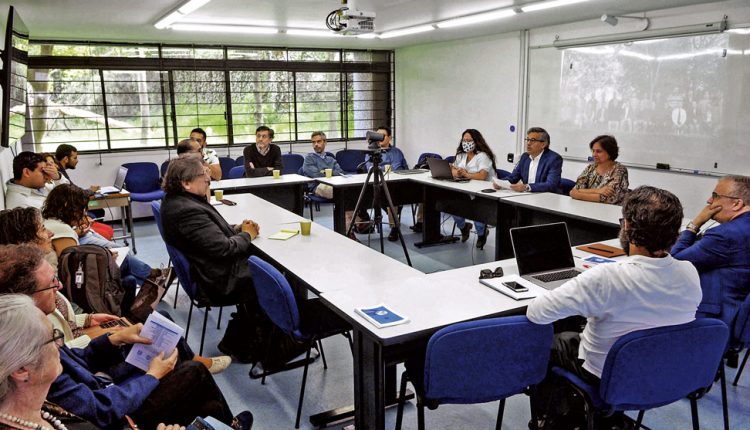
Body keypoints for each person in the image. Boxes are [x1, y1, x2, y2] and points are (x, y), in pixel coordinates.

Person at [0, 245, 250, 430]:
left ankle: (227, 423)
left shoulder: (28, 336)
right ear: (25, 297)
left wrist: (114, 339)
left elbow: (75, 359)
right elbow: (103, 409)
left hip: (103, 390)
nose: (60, 287)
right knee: (193, 372)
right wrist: (153, 375)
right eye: (52, 284)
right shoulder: (34, 357)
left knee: (204, 401)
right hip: (115, 408)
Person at [527, 186, 701, 427]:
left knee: (550, 342)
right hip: (664, 369)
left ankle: (555, 420)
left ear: (627, 226)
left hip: (607, 374)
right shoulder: (689, 272)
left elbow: (536, 313)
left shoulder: (606, 277)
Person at [160, 157, 267, 361]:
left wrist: (237, 229)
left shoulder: (178, 201)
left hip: (209, 268)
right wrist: (247, 235)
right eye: (204, 174)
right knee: (275, 274)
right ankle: (280, 341)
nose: (209, 178)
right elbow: (224, 249)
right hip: (219, 278)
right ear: (186, 182)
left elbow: (209, 235)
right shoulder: (187, 211)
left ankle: (244, 339)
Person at [41, 184, 163, 315]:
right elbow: (74, 271)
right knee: (125, 264)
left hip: (64, 287)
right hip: (73, 292)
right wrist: (105, 258)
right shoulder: (63, 230)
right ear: (68, 207)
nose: (84, 213)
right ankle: (150, 287)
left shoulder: (50, 221)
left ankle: (132, 309)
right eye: (81, 208)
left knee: (129, 280)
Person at [672, 175, 750, 327]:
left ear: (737, 203)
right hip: (742, 317)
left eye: (715, 196)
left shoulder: (724, 235)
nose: (709, 201)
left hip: (716, 319)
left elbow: (675, 264)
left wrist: (695, 224)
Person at [449, 129, 497, 249]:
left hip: (483, 193)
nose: (466, 142)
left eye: (469, 140)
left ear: (476, 141)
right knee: (451, 206)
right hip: (464, 189)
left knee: (478, 214)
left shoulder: (483, 156)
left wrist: (465, 174)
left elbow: (482, 176)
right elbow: (452, 169)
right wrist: (458, 172)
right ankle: (464, 227)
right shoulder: (461, 155)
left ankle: (482, 234)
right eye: (464, 140)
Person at [364, 126, 408, 241]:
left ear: (389, 138)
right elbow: (371, 169)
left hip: (398, 183)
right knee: (391, 196)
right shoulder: (371, 152)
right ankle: (394, 227)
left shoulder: (397, 152)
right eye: (377, 136)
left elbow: (402, 168)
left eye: (382, 136)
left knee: (422, 191)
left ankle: (421, 223)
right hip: (379, 186)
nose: (379, 138)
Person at [498, 127, 562, 193]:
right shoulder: (525, 157)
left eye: (533, 140)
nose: (528, 143)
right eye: (527, 139)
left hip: (546, 197)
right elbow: (513, 177)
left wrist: (527, 187)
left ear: (543, 144)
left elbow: (551, 184)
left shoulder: (554, 159)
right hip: (527, 196)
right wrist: (500, 183)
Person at [569, 135, 629, 204]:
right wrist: (598, 191)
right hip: (586, 207)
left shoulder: (619, 170)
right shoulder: (590, 168)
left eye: (599, 151)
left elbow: (609, 198)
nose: (594, 154)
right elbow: (574, 190)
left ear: (610, 152)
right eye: (593, 151)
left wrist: (578, 195)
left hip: (609, 211)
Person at [301, 131, 344, 199]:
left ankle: (348, 209)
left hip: (335, 184)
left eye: (319, 141)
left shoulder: (331, 159)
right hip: (318, 186)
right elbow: (316, 175)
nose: (316, 144)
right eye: (313, 142)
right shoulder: (309, 158)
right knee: (340, 192)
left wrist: (323, 171)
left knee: (352, 189)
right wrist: (331, 173)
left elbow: (340, 172)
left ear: (325, 142)